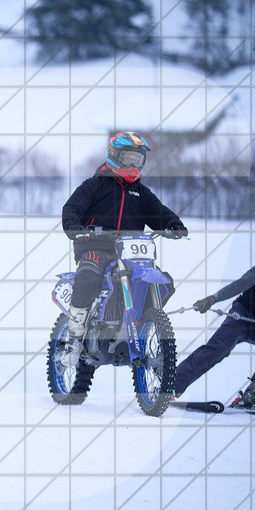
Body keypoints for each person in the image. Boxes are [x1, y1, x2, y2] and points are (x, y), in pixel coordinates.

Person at [59, 131, 187, 366]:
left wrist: (174, 225)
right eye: (128, 157)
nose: (133, 163)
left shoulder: (140, 192)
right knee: (88, 276)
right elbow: (72, 207)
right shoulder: (95, 185)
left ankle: (144, 322)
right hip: (95, 246)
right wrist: (74, 226)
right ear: (114, 156)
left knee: (163, 282)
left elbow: (159, 213)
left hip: (130, 252)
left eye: (137, 159)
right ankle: (74, 339)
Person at [174, 260, 255, 406]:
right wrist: (213, 299)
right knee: (219, 348)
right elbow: (243, 282)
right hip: (243, 314)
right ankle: (172, 385)